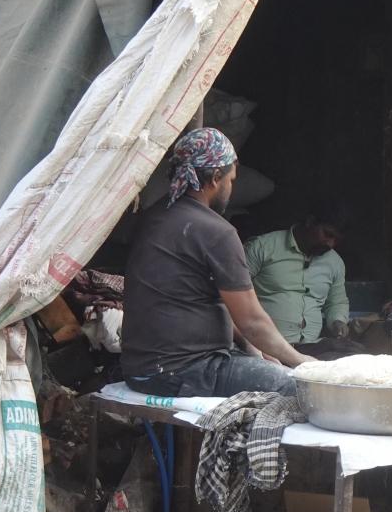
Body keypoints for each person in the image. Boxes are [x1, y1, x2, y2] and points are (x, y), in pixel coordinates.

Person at [121, 128, 311, 398]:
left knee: (267, 366)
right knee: (296, 387)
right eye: (231, 180)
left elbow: (202, 302)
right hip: (184, 370)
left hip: (141, 369)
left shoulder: (153, 217)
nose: (231, 189)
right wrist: (303, 363)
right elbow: (252, 321)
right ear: (215, 178)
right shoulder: (216, 232)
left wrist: (255, 350)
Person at [244, 205, 360, 359]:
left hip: (313, 347)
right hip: (266, 348)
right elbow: (234, 292)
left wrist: (338, 321)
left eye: (336, 240)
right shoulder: (262, 247)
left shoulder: (334, 262)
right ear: (310, 222)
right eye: (327, 234)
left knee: (360, 357)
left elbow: (336, 301)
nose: (330, 244)